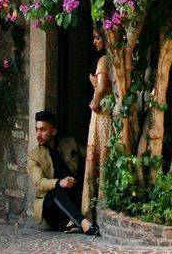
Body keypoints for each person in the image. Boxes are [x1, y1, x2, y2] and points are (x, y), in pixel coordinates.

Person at [28, 110, 86, 232]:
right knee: (56, 190)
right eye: (37, 129)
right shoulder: (33, 155)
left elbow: (88, 153)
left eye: (42, 130)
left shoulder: (70, 143)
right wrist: (60, 182)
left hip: (72, 197)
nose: (38, 134)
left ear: (53, 131)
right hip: (51, 206)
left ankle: (71, 223)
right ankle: (85, 224)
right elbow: (40, 182)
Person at [81, 36, 111, 234]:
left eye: (97, 37)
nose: (94, 41)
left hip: (102, 116)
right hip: (110, 114)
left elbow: (101, 87)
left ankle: (91, 214)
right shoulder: (114, 59)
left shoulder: (104, 60)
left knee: (96, 159)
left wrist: (95, 102)